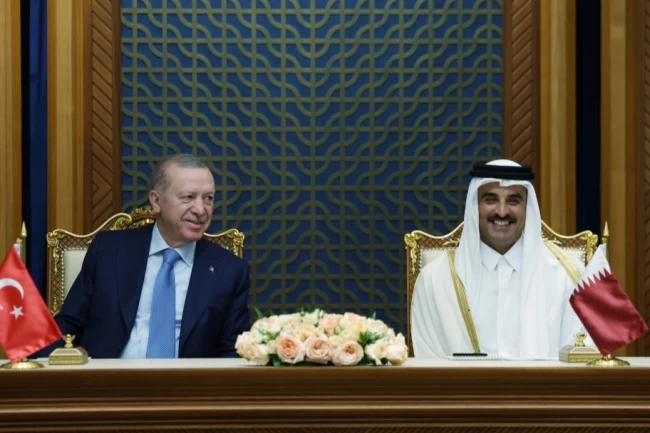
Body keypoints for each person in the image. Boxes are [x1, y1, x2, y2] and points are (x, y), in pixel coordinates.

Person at [40, 154, 251, 358]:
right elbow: (70, 324)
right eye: (188, 197)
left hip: (189, 382)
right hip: (108, 378)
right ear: (156, 201)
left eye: (208, 199)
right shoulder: (109, 251)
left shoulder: (230, 270)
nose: (200, 209)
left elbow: (233, 349)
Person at [411, 159, 588, 359]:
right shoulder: (435, 280)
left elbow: (585, 358)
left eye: (513, 201)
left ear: (527, 208)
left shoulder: (569, 276)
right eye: (490, 200)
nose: (502, 211)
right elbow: (428, 363)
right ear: (475, 206)